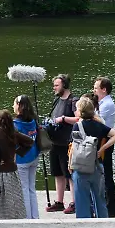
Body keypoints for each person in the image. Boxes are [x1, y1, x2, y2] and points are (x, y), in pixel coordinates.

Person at [70, 97, 115, 219]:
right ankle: (103, 224)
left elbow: (73, 147)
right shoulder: (99, 126)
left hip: (81, 166)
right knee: (100, 201)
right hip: (97, 165)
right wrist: (102, 148)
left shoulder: (77, 126)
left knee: (82, 201)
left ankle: (85, 225)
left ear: (80, 111)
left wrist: (70, 164)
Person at [0, 109, 34, 219]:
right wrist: (18, 152)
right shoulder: (13, 134)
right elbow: (30, 142)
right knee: (13, 198)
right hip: (12, 170)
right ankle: (14, 216)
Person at [47, 73, 78, 214]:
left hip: (67, 143)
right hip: (55, 142)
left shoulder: (73, 101)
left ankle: (74, 202)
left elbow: (79, 118)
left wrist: (64, 119)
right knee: (57, 173)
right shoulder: (56, 100)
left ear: (64, 85)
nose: (54, 88)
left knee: (69, 174)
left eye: (56, 85)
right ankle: (59, 202)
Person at [93, 76, 115, 216]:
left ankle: (111, 207)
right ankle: (105, 204)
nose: (94, 91)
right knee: (103, 173)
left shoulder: (107, 104)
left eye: (96, 88)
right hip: (102, 140)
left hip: (106, 141)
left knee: (106, 174)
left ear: (104, 90)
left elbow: (100, 123)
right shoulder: (101, 102)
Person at [12, 95, 41, 219]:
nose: (13, 106)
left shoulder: (15, 124)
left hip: (22, 159)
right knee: (31, 188)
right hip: (34, 155)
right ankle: (35, 216)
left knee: (23, 188)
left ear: (19, 106)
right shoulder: (33, 120)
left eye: (14, 104)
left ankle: (27, 217)